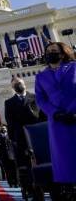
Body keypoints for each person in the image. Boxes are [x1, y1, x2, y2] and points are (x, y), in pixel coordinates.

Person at [35, 42, 76, 187]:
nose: (50, 53)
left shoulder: (74, 67)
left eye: (54, 50)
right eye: (48, 51)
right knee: (66, 161)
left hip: (75, 115)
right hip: (58, 122)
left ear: (63, 53)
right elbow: (40, 99)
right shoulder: (41, 76)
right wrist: (54, 113)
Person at [5, 76, 42, 197]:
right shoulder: (9, 103)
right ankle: (30, 188)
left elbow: (41, 117)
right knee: (25, 167)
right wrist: (13, 140)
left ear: (24, 83)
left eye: (19, 83)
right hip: (20, 139)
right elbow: (10, 123)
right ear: (12, 88)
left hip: (36, 136)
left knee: (40, 163)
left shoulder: (35, 98)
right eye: (15, 84)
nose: (18, 85)